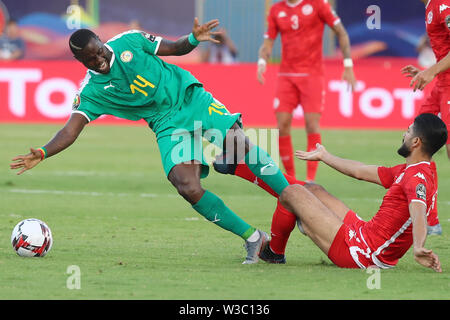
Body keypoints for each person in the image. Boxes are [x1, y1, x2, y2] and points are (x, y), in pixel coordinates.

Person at [9, 18, 291, 264]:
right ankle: (253, 237)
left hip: (191, 98)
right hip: (166, 124)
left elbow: (175, 47)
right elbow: (70, 130)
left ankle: (293, 198)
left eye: (99, 51)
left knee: (239, 145)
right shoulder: (92, 91)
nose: (99, 60)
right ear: (81, 62)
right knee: (187, 187)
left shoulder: (130, 41)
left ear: (101, 42)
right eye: (91, 59)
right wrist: (44, 152)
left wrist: (193, 38)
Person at [214, 113, 447, 269]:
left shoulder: (416, 176)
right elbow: (359, 170)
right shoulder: (418, 170)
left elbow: (418, 211)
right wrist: (325, 156)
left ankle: (274, 252)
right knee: (312, 189)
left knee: (292, 193)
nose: (403, 135)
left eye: (407, 132)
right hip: (365, 233)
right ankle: (241, 166)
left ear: (416, 142)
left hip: (363, 253)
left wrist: (418, 247)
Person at [257, 0, 356, 181]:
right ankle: (291, 179)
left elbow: (341, 32)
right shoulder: (276, 10)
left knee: (311, 125)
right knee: (282, 125)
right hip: (286, 75)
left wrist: (348, 65)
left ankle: (310, 180)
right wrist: (262, 61)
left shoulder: (318, 4)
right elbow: (268, 42)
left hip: (312, 75)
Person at [401, 0, 450, 235]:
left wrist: (430, 70)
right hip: (442, 84)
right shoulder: (431, 7)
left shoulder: (443, 5)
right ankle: (431, 220)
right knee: (416, 140)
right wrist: (429, 71)